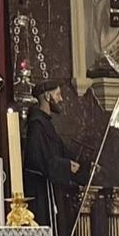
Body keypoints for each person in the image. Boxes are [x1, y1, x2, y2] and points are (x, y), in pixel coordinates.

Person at [21, 79, 80, 228]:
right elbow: (37, 159)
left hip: (50, 189)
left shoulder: (46, 123)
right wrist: (66, 165)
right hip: (40, 192)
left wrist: (82, 164)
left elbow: (60, 150)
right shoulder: (36, 125)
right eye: (58, 94)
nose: (61, 99)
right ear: (47, 96)